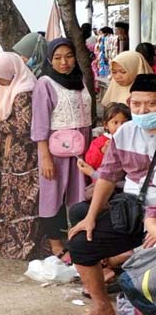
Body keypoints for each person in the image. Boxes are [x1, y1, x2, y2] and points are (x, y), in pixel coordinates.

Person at [67, 74, 156, 315]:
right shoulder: (125, 132)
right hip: (132, 209)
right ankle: (102, 308)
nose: (143, 110)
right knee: (82, 244)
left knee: (148, 278)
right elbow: (107, 176)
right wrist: (91, 217)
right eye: (137, 104)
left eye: (151, 104)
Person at [32, 38, 93, 261]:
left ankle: (77, 241)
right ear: (50, 59)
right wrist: (45, 157)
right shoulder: (45, 83)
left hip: (81, 149)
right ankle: (56, 244)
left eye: (68, 56)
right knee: (52, 195)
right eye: (57, 58)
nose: (64, 62)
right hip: (55, 150)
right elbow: (39, 122)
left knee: (79, 196)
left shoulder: (82, 80)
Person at [0, 52, 43, 260]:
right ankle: (5, 243)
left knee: (19, 200)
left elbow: (24, 127)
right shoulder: (8, 88)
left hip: (23, 155)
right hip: (9, 151)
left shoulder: (24, 91)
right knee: (6, 196)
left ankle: (20, 245)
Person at [78, 103, 132, 175]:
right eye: (115, 122)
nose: (120, 127)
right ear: (106, 125)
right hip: (102, 180)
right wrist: (102, 151)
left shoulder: (132, 140)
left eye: (124, 123)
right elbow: (91, 163)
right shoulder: (99, 142)